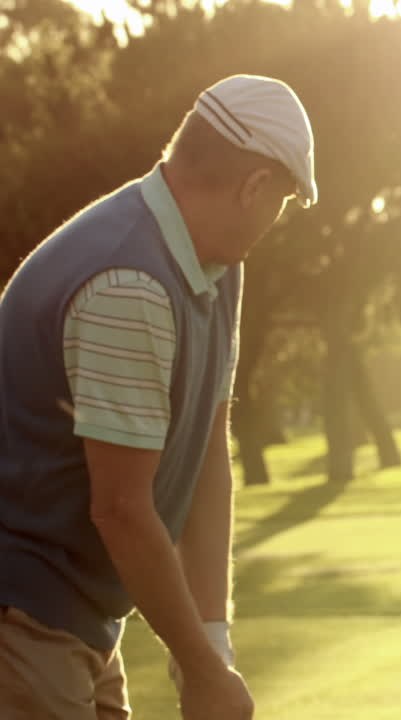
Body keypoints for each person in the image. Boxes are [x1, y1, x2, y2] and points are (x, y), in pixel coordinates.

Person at [0, 74, 317, 720]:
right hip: (21, 619)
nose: (275, 220)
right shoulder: (129, 283)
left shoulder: (214, 268)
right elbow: (120, 508)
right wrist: (202, 671)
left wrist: (211, 645)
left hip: (75, 621)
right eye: (283, 199)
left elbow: (207, 453)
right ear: (255, 187)